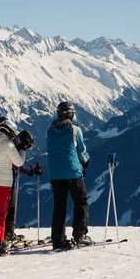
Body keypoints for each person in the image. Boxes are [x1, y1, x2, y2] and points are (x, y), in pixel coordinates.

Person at [46, 101, 92, 250]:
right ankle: (79, 235)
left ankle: (57, 240)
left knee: (59, 207)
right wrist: (85, 162)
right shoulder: (74, 129)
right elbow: (81, 151)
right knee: (81, 202)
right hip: (73, 173)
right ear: (71, 114)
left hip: (55, 174)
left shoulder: (50, 130)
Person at [0, 118, 42, 243]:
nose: (28, 148)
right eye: (29, 146)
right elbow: (18, 163)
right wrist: (31, 171)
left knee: (0, 207)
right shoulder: (17, 144)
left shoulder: (7, 140)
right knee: (9, 207)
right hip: (8, 179)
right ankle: (6, 234)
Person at [0, 119, 27, 256]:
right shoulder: (8, 144)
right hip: (2, 183)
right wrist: (23, 149)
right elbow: (18, 162)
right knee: (0, 214)